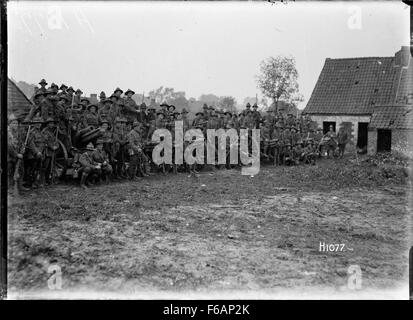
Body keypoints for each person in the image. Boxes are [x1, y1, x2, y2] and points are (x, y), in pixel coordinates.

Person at [26, 116, 46, 188]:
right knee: (32, 169)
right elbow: (31, 144)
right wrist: (37, 152)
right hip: (33, 154)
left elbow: (42, 143)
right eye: (37, 123)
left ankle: (35, 182)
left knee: (38, 168)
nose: (38, 124)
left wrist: (42, 152)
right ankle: (29, 183)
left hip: (40, 153)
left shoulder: (40, 132)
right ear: (34, 124)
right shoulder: (32, 132)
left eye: (40, 123)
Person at [41, 118, 59, 184]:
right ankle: (42, 181)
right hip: (47, 151)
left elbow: (56, 141)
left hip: (52, 152)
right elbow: (46, 141)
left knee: (50, 167)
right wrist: (52, 147)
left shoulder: (52, 132)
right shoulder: (45, 131)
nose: (52, 125)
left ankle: (47, 180)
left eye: (52, 123)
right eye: (50, 123)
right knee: (45, 166)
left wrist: (56, 146)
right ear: (47, 124)